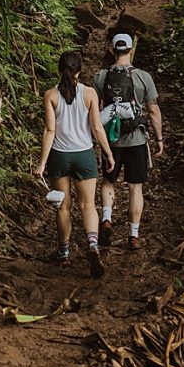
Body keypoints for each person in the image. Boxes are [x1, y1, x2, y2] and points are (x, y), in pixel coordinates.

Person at [36, 49, 115, 276]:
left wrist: (42, 163)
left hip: (59, 156)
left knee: (63, 206)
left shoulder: (50, 95)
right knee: (88, 205)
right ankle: (92, 245)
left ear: (60, 70)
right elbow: (97, 128)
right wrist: (108, 154)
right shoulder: (90, 94)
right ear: (79, 71)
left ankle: (64, 254)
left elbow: (50, 130)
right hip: (84, 155)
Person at [94, 32, 163, 249]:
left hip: (111, 142)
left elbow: (95, 110)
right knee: (135, 188)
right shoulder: (143, 77)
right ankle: (133, 235)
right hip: (137, 140)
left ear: (113, 50)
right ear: (131, 50)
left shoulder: (101, 77)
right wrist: (159, 138)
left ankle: (106, 218)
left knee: (108, 182)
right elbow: (153, 110)